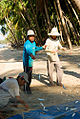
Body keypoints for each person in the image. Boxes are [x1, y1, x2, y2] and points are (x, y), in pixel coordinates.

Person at [23, 29, 45, 94]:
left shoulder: (34, 43)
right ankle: (26, 88)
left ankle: (28, 86)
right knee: (27, 75)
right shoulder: (27, 43)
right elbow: (28, 50)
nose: (32, 37)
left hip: (31, 62)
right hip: (26, 62)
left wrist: (42, 47)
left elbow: (35, 48)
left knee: (30, 75)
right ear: (28, 37)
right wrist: (31, 54)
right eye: (30, 36)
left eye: (33, 36)